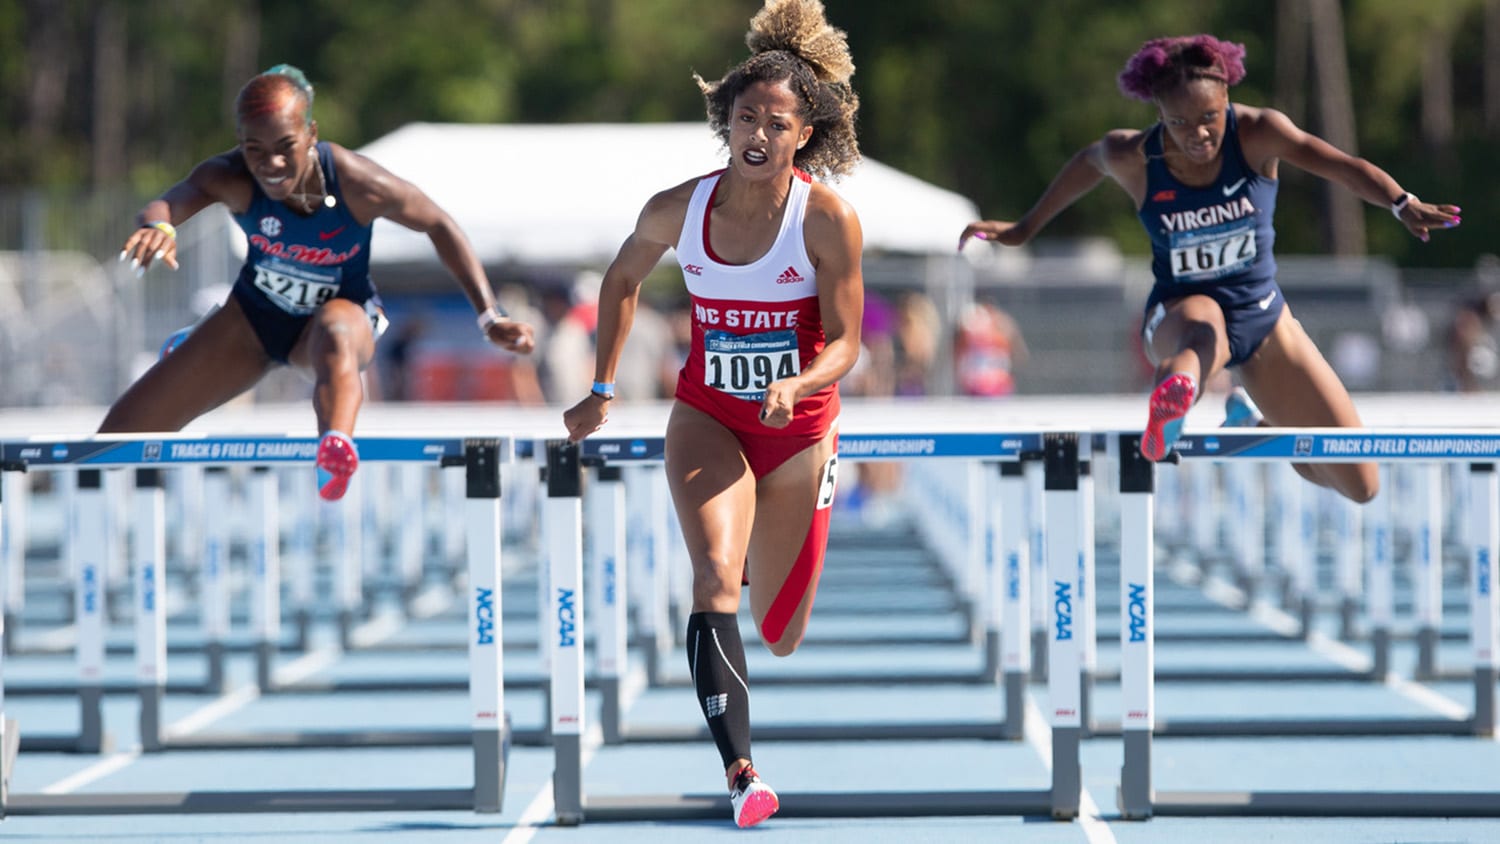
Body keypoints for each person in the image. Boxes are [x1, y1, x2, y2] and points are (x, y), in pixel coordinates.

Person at [562, 0, 862, 827]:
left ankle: (795, 515)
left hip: (799, 427)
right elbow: (621, 282)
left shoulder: (826, 219)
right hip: (711, 418)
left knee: (783, 632)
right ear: (724, 123)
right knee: (712, 578)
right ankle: (742, 774)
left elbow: (847, 345)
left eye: (777, 121)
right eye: (745, 117)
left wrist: (801, 387)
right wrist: (603, 385)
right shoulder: (679, 208)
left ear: (804, 135)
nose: (758, 133)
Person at [960, 34, 1463, 503]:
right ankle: (1171, 404)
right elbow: (1086, 165)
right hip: (1180, 313)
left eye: (1209, 118)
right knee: (1206, 329)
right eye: (1178, 124)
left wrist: (1400, 201)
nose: (1197, 134)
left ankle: (1253, 428)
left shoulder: (1260, 133)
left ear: (1227, 101)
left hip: (1264, 317)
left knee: (1360, 482)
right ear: (1159, 115)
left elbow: (1339, 164)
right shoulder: (1134, 155)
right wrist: (1025, 228)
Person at [107, 64, 534, 500]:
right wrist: (158, 228)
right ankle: (199, 341)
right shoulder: (230, 176)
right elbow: (168, 203)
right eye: (254, 148)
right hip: (255, 323)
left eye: (285, 146)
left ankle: (334, 448)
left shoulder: (358, 182)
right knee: (115, 440)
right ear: (240, 144)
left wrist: (489, 315)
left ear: (311, 134)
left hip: (339, 325)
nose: (270, 164)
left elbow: (439, 224)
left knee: (334, 326)